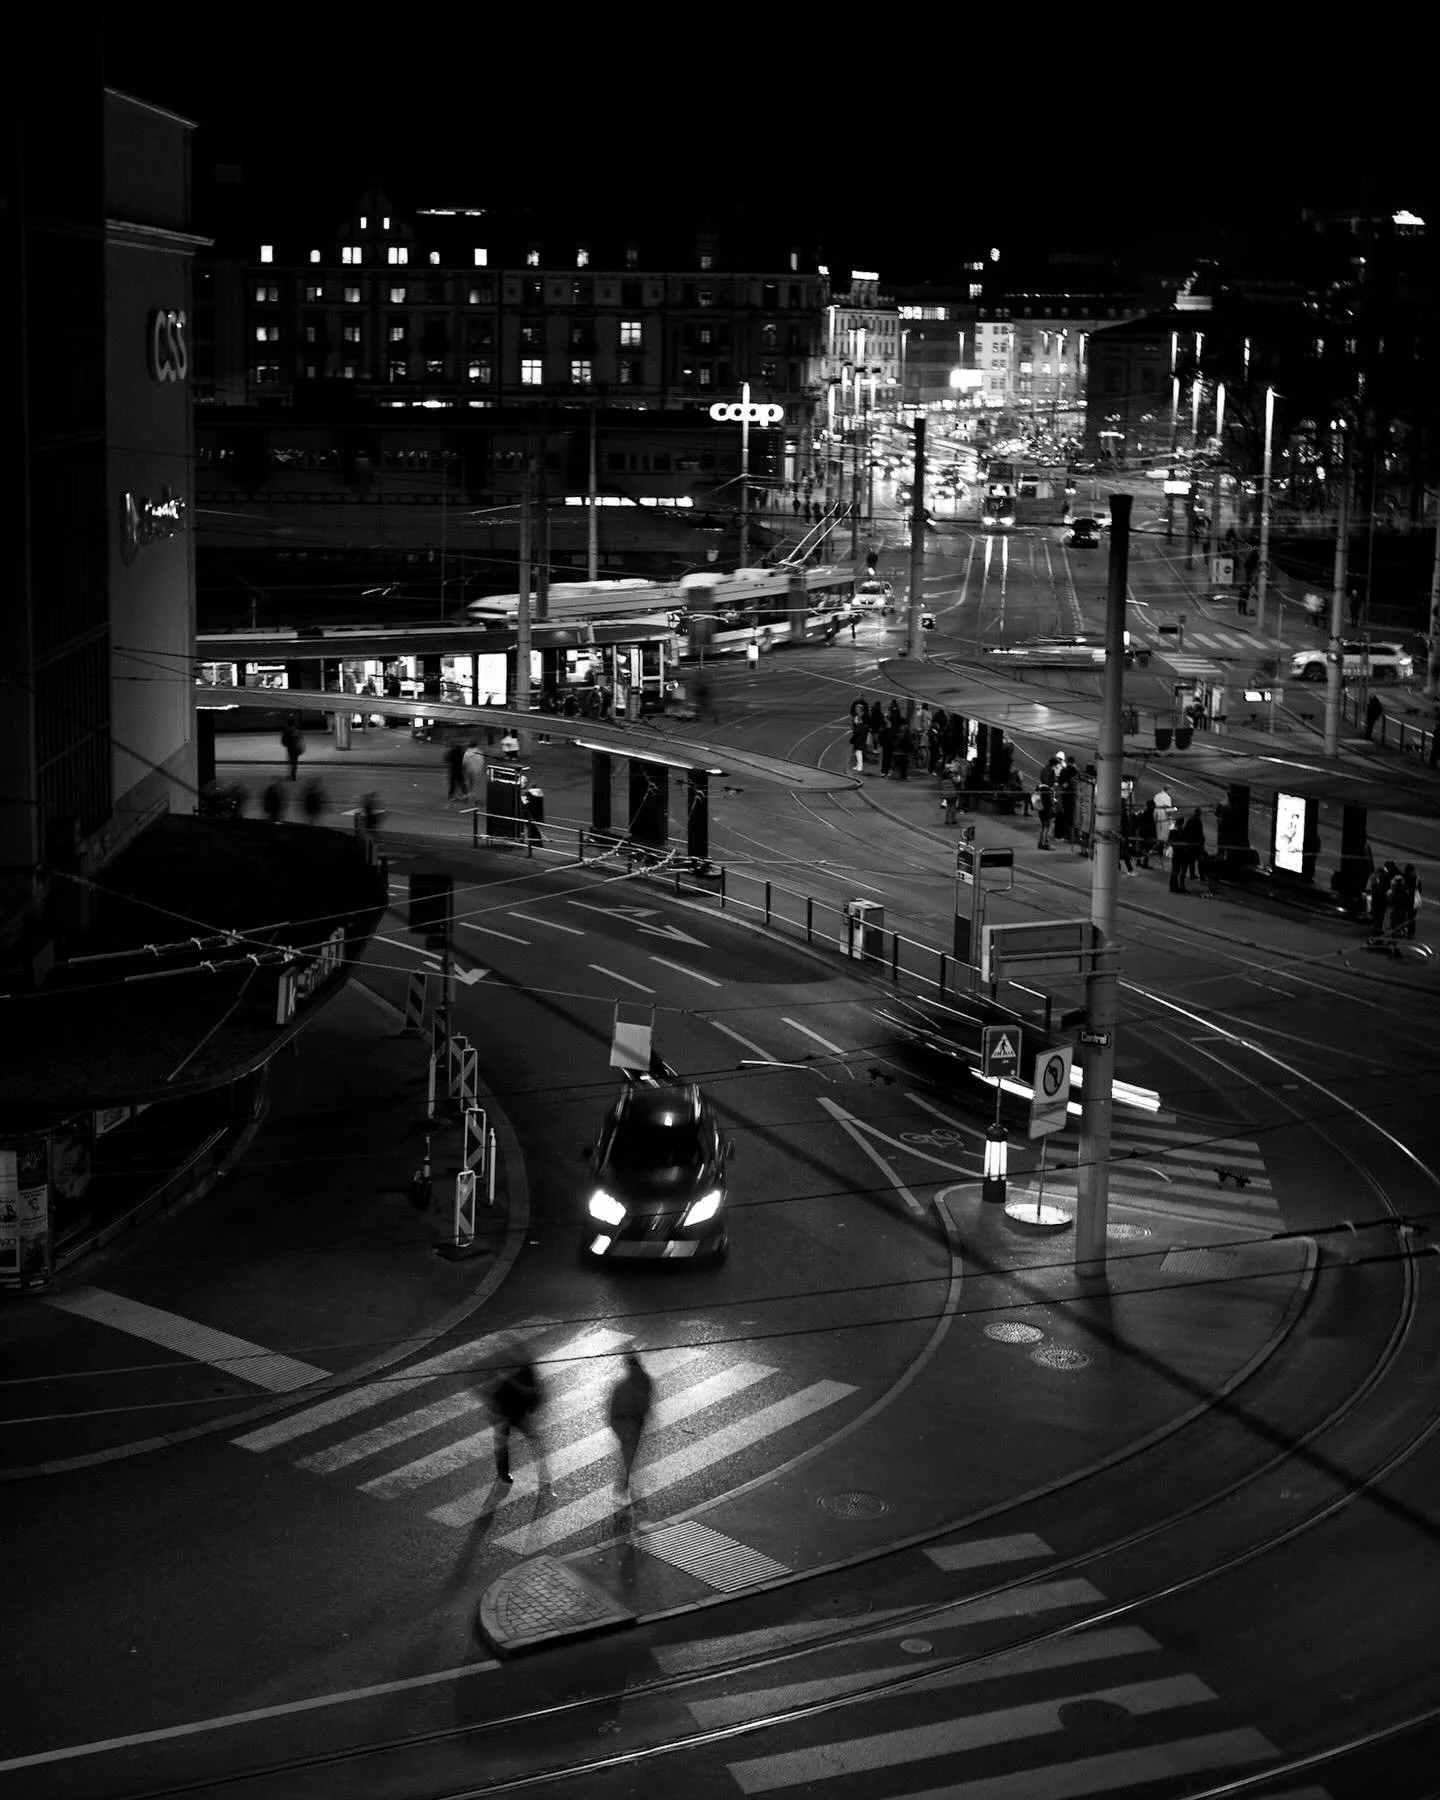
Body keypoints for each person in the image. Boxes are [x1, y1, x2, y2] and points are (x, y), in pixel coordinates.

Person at [491, 1354, 544, 1485]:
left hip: (519, 1412)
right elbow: (495, 1397)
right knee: (503, 1443)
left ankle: (543, 1476)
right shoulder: (503, 1377)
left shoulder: (523, 1371)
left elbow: (533, 1390)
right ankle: (503, 1473)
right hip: (506, 1413)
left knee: (533, 1442)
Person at [608, 1352, 654, 1500]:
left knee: (629, 1455)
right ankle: (623, 1486)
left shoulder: (626, 1385)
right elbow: (645, 1403)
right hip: (630, 1423)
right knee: (628, 1455)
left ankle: (624, 1485)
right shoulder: (642, 1380)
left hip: (627, 1423)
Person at [1152, 786, 1175, 865]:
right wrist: (1173, 809)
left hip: (1156, 816)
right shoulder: (1167, 798)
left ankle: (1155, 849)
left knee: (1157, 832)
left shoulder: (1157, 795)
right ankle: (1159, 851)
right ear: (1168, 790)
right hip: (1163, 817)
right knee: (1163, 834)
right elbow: (1168, 810)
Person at [1402, 865, 1422, 938]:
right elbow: (1420, 889)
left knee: (1407, 916)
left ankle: (1407, 932)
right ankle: (1411, 933)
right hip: (1413, 901)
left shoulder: (1407, 877)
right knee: (1411, 917)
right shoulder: (1417, 879)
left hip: (1409, 900)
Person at [1137, 797, 1158, 867]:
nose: (1155, 807)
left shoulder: (1147, 813)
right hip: (1147, 834)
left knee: (1143, 848)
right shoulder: (1148, 813)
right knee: (1146, 848)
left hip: (1144, 833)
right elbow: (1149, 825)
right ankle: (1144, 863)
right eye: (1154, 805)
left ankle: (1139, 861)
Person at [849, 708, 869, 775]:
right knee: (857, 754)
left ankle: (860, 767)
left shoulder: (860, 727)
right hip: (858, 742)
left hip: (859, 743)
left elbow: (858, 735)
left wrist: (854, 740)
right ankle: (858, 766)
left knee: (859, 754)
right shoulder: (859, 726)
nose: (855, 721)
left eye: (855, 720)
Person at [1035, 779, 1055, 849]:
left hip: (1040, 811)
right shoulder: (1047, 790)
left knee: (1041, 827)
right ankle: (1045, 843)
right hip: (1046, 811)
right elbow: (1049, 802)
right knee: (1046, 827)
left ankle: (1039, 843)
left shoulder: (1038, 789)